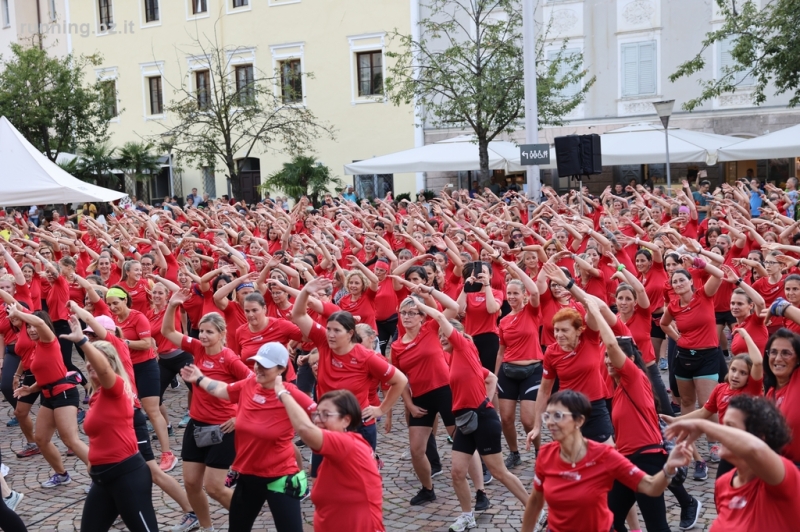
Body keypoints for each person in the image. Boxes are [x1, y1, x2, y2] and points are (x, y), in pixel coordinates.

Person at [587, 296, 702, 532]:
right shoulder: (618, 387)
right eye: (606, 358)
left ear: (628, 360)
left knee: (656, 526)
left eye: (613, 357)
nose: (608, 360)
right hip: (628, 461)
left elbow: (611, 344)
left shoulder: (635, 378)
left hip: (647, 459)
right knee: (608, 520)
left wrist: (597, 313)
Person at [415, 302, 529, 532]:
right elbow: (490, 378)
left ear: (456, 334)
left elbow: (440, 314)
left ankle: (536, 511)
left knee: (498, 472)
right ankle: (468, 516)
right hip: (465, 420)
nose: (442, 338)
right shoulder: (458, 358)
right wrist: (485, 398)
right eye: (439, 336)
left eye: (444, 334)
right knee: (457, 472)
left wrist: (418, 299)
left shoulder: (464, 346)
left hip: (481, 418)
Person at [181, 343, 314, 532]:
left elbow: (320, 416)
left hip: (280, 477)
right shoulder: (249, 384)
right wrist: (200, 378)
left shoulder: (290, 393)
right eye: (257, 363)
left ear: (281, 369)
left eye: (265, 366)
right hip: (248, 476)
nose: (258, 369)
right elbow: (222, 390)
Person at [521, 389, 693, 532]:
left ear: (579, 420)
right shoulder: (546, 454)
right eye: (547, 416)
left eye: (558, 416)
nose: (550, 422)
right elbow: (536, 501)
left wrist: (669, 468)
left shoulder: (604, 456)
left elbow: (650, 486)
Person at [162, 289, 253, 532]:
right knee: (191, 483)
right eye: (201, 330)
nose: (202, 335)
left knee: (214, 487)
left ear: (222, 334)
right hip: (197, 425)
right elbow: (168, 332)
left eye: (209, 332)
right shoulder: (198, 349)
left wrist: (238, 416)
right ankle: (206, 527)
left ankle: (245, 520)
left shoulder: (230, 359)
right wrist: (172, 305)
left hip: (223, 429)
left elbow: (255, 384)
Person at [290, 278, 407, 464]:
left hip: (357, 426)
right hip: (326, 423)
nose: (330, 334)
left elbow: (400, 380)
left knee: (359, 478)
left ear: (350, 333)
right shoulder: (323, 341)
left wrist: (381, 409)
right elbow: (298, 315)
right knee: (321, 477)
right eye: (328, 329)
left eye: (336, 331)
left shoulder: (366, 357)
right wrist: (305, 291)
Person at [666, 395, 800, 531]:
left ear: (760, 437)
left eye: (730, 427)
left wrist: (703, 425)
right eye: (724, 426)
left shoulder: (783, 479)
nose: (722, 433)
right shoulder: (724, 483)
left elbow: (756, 449)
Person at [73, 330, 159, 532]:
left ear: (110, 364)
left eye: (96, 360)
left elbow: (103, 371)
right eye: (88, 361)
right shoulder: (96, 396)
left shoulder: (116, 388)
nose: (89, 364)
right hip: (103, 478)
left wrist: (83, 341)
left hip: (127, 477)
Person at [276, 385, 384, 532]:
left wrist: (282, 392)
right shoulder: (334, 452)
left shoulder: (348, 445)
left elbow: (304, 429)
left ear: (346, 420)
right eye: (317, 414)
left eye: (326, 414)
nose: (318, 420)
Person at [659, 255, 724, 478]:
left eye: (681, 280)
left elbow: (720, 274)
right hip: (684, 356)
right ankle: (691, 451)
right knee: (686, 401)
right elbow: (663, 324)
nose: (678, 284)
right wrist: (678, 338)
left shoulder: (703, 295)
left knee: (708, 403)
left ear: (690, 282)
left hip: (707, 356)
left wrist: (700, 262)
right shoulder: (674, 306)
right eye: (674, 282)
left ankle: (714, 443)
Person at [105, 285, 175, 470]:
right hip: (126, 369)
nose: (112, 307)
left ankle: (167, 454)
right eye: (109, 304)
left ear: (125, 300)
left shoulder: (138, 317)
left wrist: (123, 342)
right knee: (128, 411)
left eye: (115, 303)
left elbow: (146, 344)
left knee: (152, 410)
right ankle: (132, 451)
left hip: (146, 366)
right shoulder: (113, 319)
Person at [495, 259, 543, 464]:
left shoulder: (532, 312)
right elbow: (500, 351)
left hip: (532, 370)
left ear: (523, 295)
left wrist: (514, 269)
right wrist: (496, 377)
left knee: (527, 420)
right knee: (505, 418)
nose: (512, 297)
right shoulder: (503, 321)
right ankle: (514, 453)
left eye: (516, 293)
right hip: (508, 371)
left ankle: (540, 452)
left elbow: (536, 291)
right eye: (509, 293)